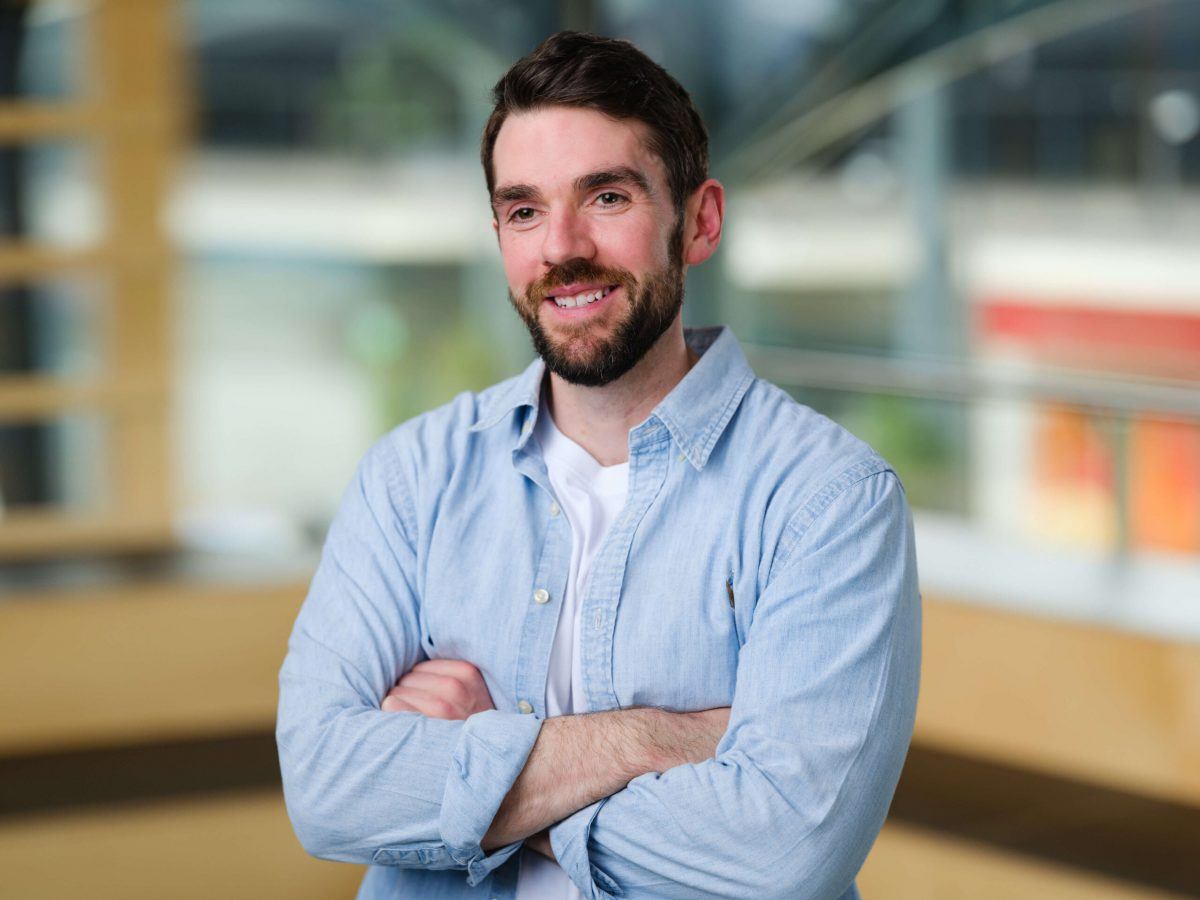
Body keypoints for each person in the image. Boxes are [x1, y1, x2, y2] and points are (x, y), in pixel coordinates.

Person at [277, 30, 920, 900]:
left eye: (606, 197)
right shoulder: (411, 480)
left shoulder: (829, 501)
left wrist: (478, 771)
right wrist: (655, 739)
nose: (561, 248)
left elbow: (782, 858)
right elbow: (326, 790)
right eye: (524, 210)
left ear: (698, 220)